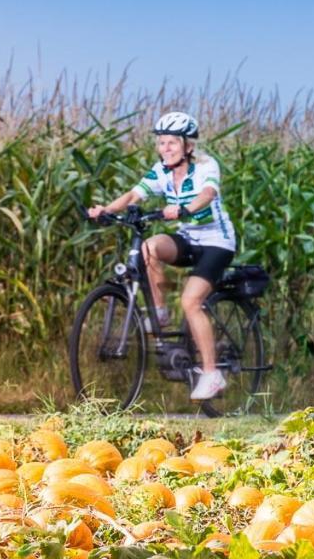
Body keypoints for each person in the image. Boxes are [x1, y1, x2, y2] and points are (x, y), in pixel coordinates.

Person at [88, 112, 237, 400]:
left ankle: (211, 374)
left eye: (171, 143)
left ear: (188, 146)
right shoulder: (162, 171)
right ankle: (159, 311)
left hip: (217, 242)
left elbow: (207, 194)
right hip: (190, 239)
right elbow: (133, 196)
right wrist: (106, 210)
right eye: (161, 143)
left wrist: (184, 209)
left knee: (191, 301)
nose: (165, 148)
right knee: (148, 247)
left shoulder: (205, 166)